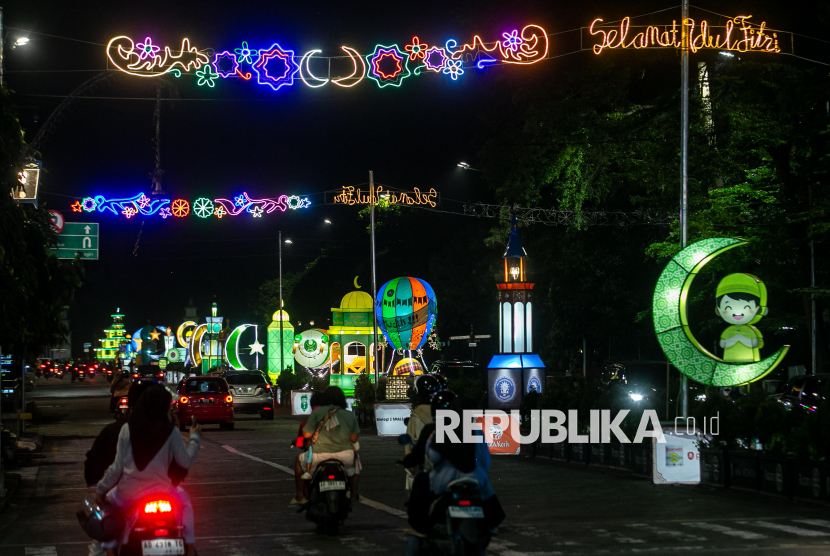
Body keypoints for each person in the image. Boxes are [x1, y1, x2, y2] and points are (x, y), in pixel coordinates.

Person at [97, 385, 202, 556]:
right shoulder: (170, 431)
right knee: (185, 502)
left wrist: (101, 490)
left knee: (106, 507)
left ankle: (110, 549)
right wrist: (195, 437)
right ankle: (189, 547)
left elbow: (117, 468)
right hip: (164, 492)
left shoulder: (127, 429)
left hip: (129, 494)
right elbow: (186, 461)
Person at [405, 391, 503, 540]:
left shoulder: (442, 430)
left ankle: (420, 526)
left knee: (421, 485)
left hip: (444, 481)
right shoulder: (476, 430)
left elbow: (433, 457)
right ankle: (489, 526)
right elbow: (485, 462)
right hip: (474, 479)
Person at [293, 386, 360, 505]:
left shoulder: (318, 412)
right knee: (355, 463)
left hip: (318, 456)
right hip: (345, 456)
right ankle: (354, 494)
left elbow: (306, 434)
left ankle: (300, 496)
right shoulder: (349, 415)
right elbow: (354, 438)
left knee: (298, 461)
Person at [404, 375, 439, 491]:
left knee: (412, 482)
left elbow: (410, 442)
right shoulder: (446, 414)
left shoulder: (416, 415)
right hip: (445, 464)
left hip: (425, 463)